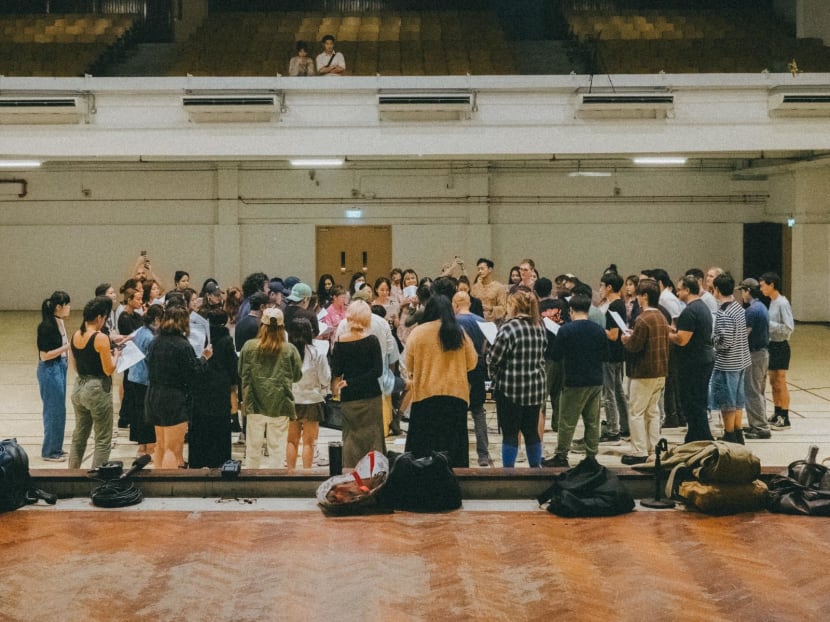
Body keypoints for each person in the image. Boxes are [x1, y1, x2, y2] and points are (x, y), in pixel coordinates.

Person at [404, 294, 477, 468]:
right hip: (456, 397)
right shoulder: (459, 332)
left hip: (425, 398)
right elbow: (472, 362)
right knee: (454, 452)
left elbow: (409, 365)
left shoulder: (418, 333)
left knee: (424, 452)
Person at [546, 292, 609, 468]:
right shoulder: (598, 329)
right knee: (592, 421)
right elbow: (606, 355)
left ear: (571, 310)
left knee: (567, 421)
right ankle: (591, 456)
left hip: (574, 381)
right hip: (596, 380)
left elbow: (556, 356)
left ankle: (561, 455)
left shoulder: (566, 330)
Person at [145, 306, 212, 468]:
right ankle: (169, 488)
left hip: (153, 395)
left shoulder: (155, 342)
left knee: (160, 446)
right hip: (173, 399)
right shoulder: (182, 345)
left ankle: (158, 486)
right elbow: (193, 373)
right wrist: (204, 358)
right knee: (173, 449)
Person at [488, 287, 547, 468]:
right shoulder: (540, 326)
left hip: (511, 388)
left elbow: (495, 358)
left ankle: (508, 471)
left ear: (514, 305)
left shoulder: (510, 327)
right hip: (535, 387)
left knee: (510, 433)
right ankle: (535, 469)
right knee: (531, 431)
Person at [238, 307, 302, 469]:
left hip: (254, 403)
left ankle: (251, 483)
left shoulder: (249, 346)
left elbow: (240, 372)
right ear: (282, 328)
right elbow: (297, 376)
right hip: (280, 403)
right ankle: (274, 483)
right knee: (277, 449)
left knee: (253, 447)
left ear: (262, 326)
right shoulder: (289, 350)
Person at [330, 300, 385, 469]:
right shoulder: (372, 341)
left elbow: (337, 371)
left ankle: (349, 474)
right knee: (373, 437)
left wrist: (348, 382)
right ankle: (374, 475)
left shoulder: (340, 342)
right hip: (371, 395)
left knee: (350, 437)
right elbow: (377, 371)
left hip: (349, 397)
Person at [68, 297, 121, 469]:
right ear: (99, 318)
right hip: (97, 388)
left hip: (79, 386)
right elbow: (108, 369)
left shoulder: (76, 335)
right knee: (103, 438)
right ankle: (98, 481)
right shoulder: (101, 338)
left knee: (79, 435)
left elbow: (74, 365)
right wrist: (117, 356)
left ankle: (71, 475)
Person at [621, 279, 670, 465]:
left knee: (636, 412)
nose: (637, 299)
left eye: (639, 295)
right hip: (660, 371)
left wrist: (626, 339)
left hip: (643, 372)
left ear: (645, 297)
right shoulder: (661, 317)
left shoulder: (643, 319)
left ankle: (639, 451)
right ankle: (654, 448)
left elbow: (635, 346)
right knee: (653, 412)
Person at [669, 275, 715, 443]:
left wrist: (667, 334)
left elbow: (682, 339)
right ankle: (695, 435)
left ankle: (701, 436)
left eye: (679, 289)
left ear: (687, 290)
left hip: (694, 363)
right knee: (699, 400)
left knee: (692, 402)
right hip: (704, 360)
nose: (677, 292)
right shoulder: (702, 307)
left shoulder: (690, 311)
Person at [189, 309, 238, 468]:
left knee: (200, 424)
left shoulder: (199, 337)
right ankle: (219, 461)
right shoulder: (226, 340)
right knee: (220, 426)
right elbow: (233, 365)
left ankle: (198, 460)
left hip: (201, 383)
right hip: (220, 388)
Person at [452, 291, 492, 466]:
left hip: (458, 369)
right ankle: (483, 454)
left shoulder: (453, 323)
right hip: (478, 368)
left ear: (455, 304)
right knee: (478, 412)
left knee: (458, 412)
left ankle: (458, 452)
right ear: (468, 302)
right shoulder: (483, 322)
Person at [711, 273, 752, 444]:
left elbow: (725, 342)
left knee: (727, 402)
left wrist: (712, 340)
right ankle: (737, 431)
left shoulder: (724, 312)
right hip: (742, 359)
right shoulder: (739, 308)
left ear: (717, 290)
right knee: (738, 399)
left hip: (728, 363)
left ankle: (729, 434)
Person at [286, 317, 330, 470]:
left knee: (291, 441)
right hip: (312, 400)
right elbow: (326, 378)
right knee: (309, 442)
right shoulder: (317, 353)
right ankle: (306, 473)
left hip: (291, 400)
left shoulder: (286, 353)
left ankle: (290, 473)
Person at [37, 290, 71, 461]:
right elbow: (44, 355)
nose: (69, 308)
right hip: (50, 369)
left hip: (60, 367)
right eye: (67, 305)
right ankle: (49, 451)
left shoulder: (59, 322)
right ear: (59, 307)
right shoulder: (46, 326)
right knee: (53, 411)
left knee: (60, 410)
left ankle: (56, 447)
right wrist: (66, 348)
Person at [127, 304, 163, 457]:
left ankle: (142, 445)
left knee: (138, 412)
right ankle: (148, 447)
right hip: (144, 379)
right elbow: (151, 360)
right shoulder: (149, 337)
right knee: (147, 414)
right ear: (156, 319)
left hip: (134, 376)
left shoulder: (140, 331)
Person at [760, 272, 795, 430]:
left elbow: (789, 327)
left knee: (780, 381)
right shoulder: (772, 302)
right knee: (773, 382)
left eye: (763, 285)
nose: (761, 289)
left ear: (772, 284)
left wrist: (769, 324)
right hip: (772, 345)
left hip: (781, 346)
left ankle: (785, 416)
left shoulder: (782, 303)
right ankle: (777, 412)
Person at [739, 278, 771, 439]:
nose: (742, 295)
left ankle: (760, 427)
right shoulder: (762, 307)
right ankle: (760, 422)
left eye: (742, 291)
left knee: (752, 391)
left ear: (748, 291)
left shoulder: (751, 311)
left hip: (754, 355)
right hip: (763, 354)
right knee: (759, 391)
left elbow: (744, 334)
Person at [599, 271, 628, 444]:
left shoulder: (614, 306)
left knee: (609, 393)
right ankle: (624, 426)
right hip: (617, 354)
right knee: (618, 391)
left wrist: (597, 328)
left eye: (602, 286)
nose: (600, 289)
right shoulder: (619, 304)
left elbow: (613, 335)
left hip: (610, 354)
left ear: (609, 287)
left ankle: (612, 429)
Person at [471, 257, 507, 324]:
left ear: (490, 269)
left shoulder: (499, 287)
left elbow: (503, 309)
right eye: (478, 269)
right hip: (476, 322)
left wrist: (490, 308)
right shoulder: (475, 287)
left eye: (482, 269)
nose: (480, 271)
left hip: (493, 323)